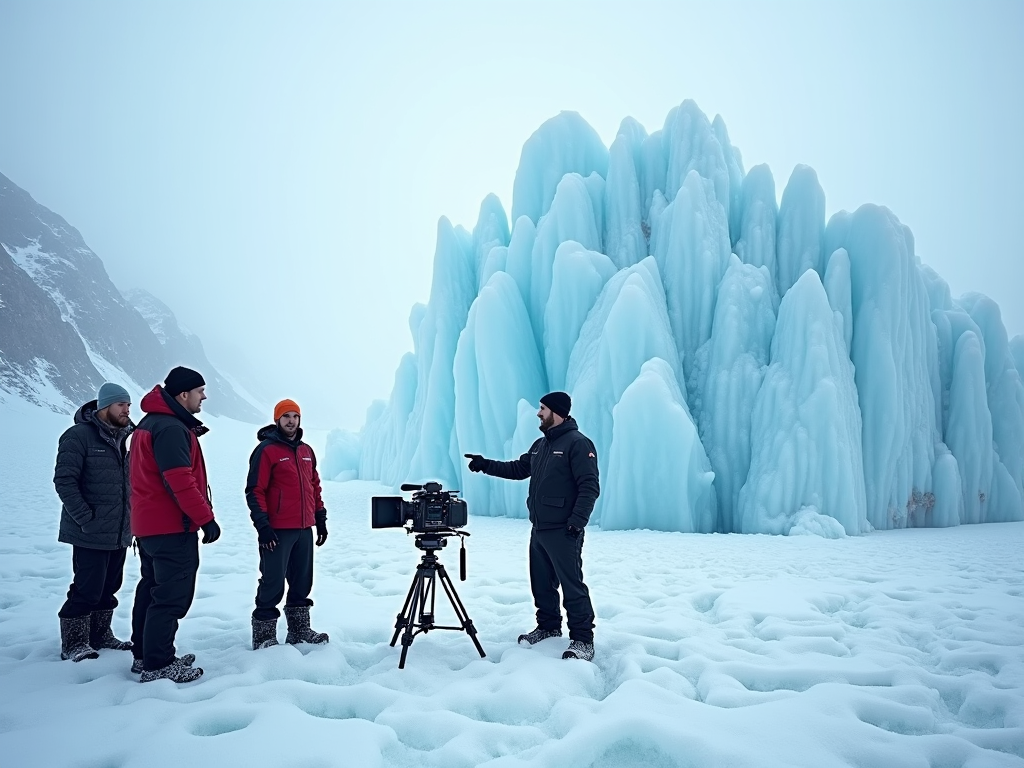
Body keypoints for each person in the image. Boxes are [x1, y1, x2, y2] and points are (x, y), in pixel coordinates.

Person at [464, 391, 600, 661]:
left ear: (557, 412)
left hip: (564, 530)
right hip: (539, 529)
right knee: (541, 584)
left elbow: (589, 487)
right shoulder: (540, 445)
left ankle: (583, 640)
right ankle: (549, 627)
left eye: (543, 409)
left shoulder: (578, 443)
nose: (538, 413)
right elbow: (517, 469)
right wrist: (484, 464)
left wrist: (576, 523)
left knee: (572, 586)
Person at [128, 366, 220, 683]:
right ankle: (158, 663)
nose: (204, 396)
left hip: (150, 526)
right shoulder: (169, 428)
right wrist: (205, 519)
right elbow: (179, 481)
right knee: (170, 596)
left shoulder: (151, 423)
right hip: (170, 527)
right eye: (200, 391)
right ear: (183, 394)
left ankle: (144, 655)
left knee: (151, 591)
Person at [53, 382, 135, 662]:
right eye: (121, 405)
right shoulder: (78, 436)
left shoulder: (128, 437)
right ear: (104, 407)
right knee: (87, 587)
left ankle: (100, 635)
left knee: (110, 586)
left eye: (128, 405)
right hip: (89, 530)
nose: (127, 410)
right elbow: (65, 481)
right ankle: (74, 643)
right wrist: (86, 519)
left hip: (120, 529)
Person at [245, 399, 329, 650]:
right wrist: (263, 526)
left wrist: (320, 517)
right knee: (272, 581)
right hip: (277, 530)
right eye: (286, 416)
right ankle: (263, 636)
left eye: (295, 416)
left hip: (304, 528)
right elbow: (255, 490)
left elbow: (314, 486)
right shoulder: (267, 450)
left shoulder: (306, 451)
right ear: (277, 419)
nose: (291, 421)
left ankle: (299, 631)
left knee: (302, 580)